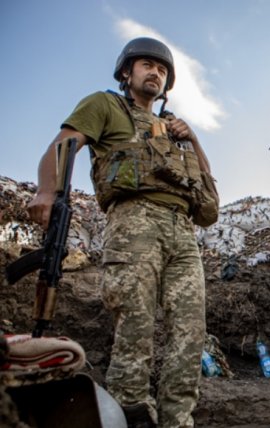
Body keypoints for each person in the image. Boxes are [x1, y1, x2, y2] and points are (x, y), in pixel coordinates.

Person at [27, 37, 219, 427]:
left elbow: (205, 185)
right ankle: (131, 414)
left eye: (162, 69)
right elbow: (63, 146)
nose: (155, 73)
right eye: (147, 65)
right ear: (126, 72)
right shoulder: (105, 105)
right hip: (134, 222)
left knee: (190, 331)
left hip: (182, 230)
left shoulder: (173, 129)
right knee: (135, 323)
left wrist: (193, 138)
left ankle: (178, 419)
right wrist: (47, 190)